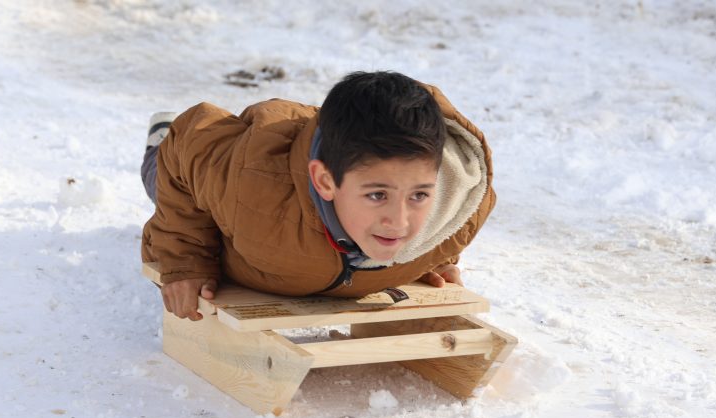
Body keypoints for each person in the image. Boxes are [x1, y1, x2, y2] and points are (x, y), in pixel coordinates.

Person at [140, 71, 495, 321]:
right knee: (164, 175)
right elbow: (191, 139)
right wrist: (185, 262)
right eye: (376, 196)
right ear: (325, 182)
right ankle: (158, 136)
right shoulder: (255, 182)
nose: (399, 221)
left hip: (337, 151)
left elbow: (456, 213)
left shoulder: (460, 202)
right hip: (228, 170)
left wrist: (439, 258)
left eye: (419, 195)